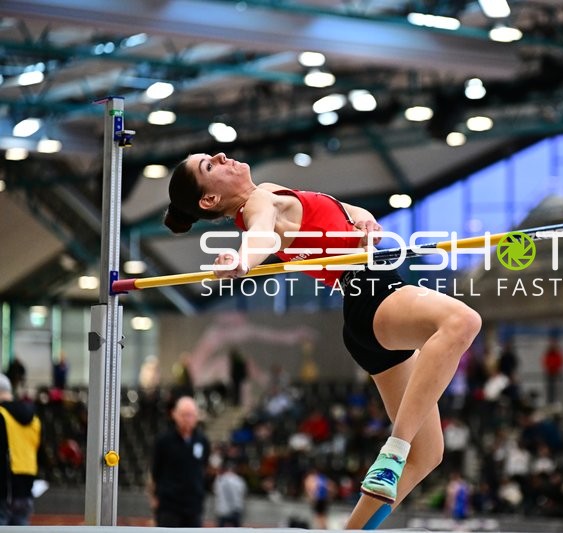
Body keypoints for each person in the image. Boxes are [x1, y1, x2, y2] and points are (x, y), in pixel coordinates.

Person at [164, 152, 482, 529]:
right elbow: (261, 233)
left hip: (363, 314)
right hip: (372, 293)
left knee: (427, 454)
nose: (220, 156)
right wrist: (244, 261)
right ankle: (394, 450)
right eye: (209, 166)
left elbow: (344, 210)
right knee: (462, 321)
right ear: (209, 201)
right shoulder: (258, 203)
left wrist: (363, 218)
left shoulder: (268, 192)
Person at [150, 396, 210, 527]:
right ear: (174, 415)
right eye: (184, 415)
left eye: (191, 415)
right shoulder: (163, 441)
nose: (187, 419)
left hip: (193, 505)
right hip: (169, 506)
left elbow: (203, 468)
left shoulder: (202, 441)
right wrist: (154, 497)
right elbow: (155, 471)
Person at [0, 373, 42, 525]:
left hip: (4, 490)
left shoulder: (1, 415)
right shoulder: (34, 419)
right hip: (26, 490)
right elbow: (39, 453)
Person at [213, 459, 247, 527]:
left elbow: (215, 491)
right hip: (236, 509)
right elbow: (243, 493)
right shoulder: (239, 480)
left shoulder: (219, 479)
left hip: (222, 510)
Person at [541, 333, 563, 404]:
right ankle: (550, 402)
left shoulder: (557, 354)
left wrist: (556, 369)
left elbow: (560, 362)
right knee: (549, 390)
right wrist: (550, 368)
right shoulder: (548, 353)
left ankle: (556, 403)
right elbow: (545, 362)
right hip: (549, 374)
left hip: (556, 374)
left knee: (557, 390)